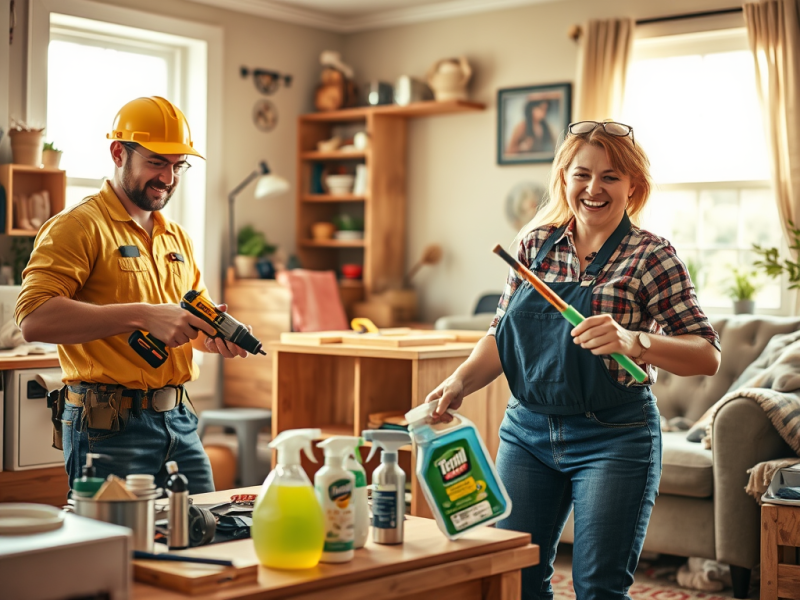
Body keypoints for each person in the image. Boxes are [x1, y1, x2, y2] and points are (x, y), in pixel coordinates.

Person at [426, 120, 721, 599]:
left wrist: (634, 342)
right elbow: (500, 337)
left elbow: (706, 355)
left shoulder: (651, 256)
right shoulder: (532, 248)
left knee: (597, 587)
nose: (594, 188)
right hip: (526, 432)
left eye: (610, 176)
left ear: (633, 187)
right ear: (564, 178)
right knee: (513, 578)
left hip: (615, 437)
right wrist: (459, 381)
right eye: (582, 174)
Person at [15, 96, 251, 494]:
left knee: (207, 533)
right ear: (118, 152)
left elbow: (189, 324)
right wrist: (143, 315)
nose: (169, 178)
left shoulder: (177, 238)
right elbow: (34, 320)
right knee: (117, 551)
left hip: (180, 421)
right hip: (108, 430)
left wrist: (214, 337)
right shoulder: (77, 226)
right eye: (157, 162)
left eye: (178, 166)